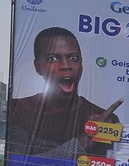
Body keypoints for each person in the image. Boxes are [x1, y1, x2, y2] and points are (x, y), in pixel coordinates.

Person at [7, 27, 123, 158]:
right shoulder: (21, 110)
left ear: (81, 63)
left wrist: (101, 135)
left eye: (73, 58)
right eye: (53, 59)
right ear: (38, 67)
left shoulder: (106, 119)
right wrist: (85, 140)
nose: (66, 65)